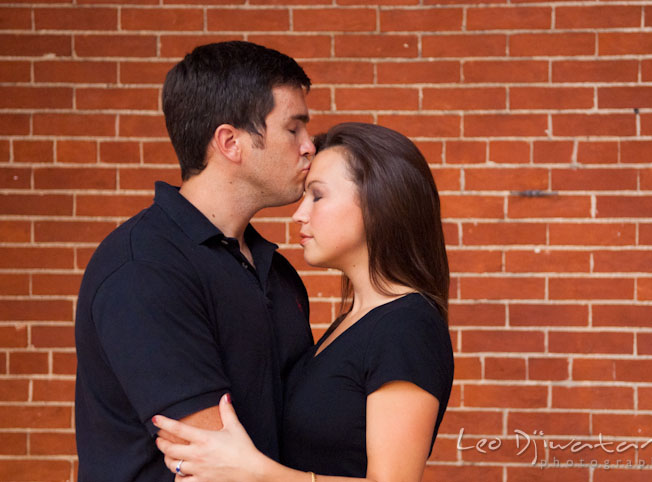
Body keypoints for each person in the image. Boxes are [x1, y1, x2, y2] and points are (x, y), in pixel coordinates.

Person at [152, 122, 455, 482]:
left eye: (318, 195)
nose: (299, 214)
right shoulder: (353, 322)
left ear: (379, 202)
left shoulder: (408, 327)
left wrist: (255, 473)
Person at [74, 40, 317, 481]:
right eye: (293, 129)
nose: (309, 147)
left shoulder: (275, 271)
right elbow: (217, 469)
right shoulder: (144, 269)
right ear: (230, 142)